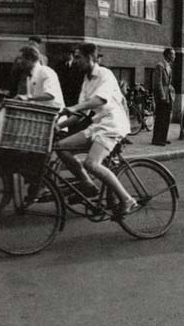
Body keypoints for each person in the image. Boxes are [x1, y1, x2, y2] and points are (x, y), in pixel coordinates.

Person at [55, 42, 139, 214]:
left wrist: (75, 108)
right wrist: (58, 125)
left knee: (92, 163)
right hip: (98, 125)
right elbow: (82, 113)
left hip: (113, 125)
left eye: (79, 58)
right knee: (61, 147)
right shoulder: (86, 80)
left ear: (90, 58)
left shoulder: (104, 74)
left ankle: (128, 200)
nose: (75, 61)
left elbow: (100, 100)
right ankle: (87, 184)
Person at [151, 48, 176, 146]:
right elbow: (158, 82)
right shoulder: (160, 66)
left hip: (168, 95)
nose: (174, 56)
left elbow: (169, 83)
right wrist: (162, 96)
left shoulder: (169, 66)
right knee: (160, 117)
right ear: (168, 55)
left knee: (166, 117)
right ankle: (156, 139)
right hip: (162, 96)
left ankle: (163, 138)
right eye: (173, 54)